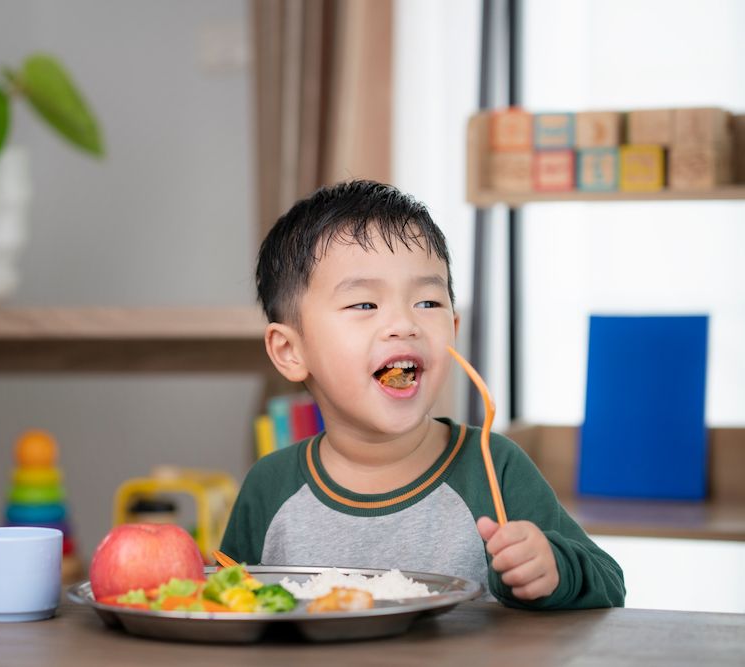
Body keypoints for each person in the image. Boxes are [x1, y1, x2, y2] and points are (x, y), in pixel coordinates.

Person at [220, 180, 625, 609]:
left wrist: (551, 569)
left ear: (453, 330)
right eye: (364, 305)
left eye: (428, 303)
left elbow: (609, 585)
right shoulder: (269, 487)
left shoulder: (494, 466)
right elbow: (225, 603)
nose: (404, 324)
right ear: (291, 351)